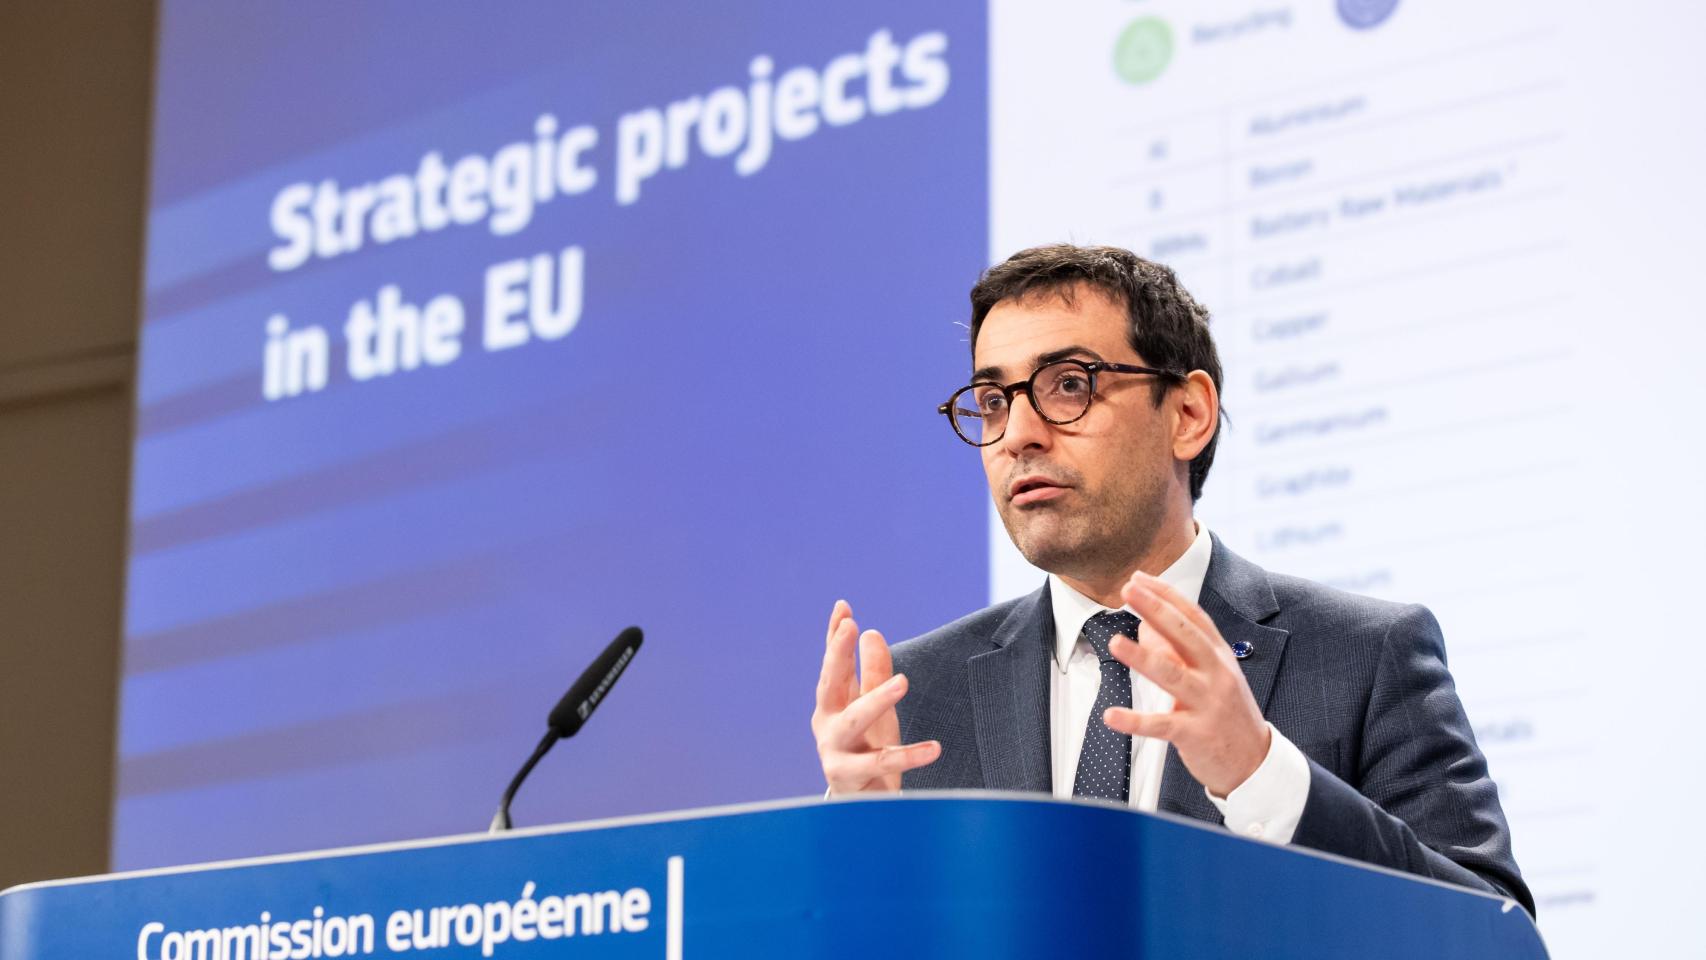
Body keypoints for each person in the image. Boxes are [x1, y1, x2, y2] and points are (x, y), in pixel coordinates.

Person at [810, 243, 1532, 915]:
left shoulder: (1367, 655)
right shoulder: (918, 699)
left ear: (1188, 414)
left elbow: (1494, 939)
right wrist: (858, 855)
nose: (1019, 435)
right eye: (994, 402)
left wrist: (1260, 776)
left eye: (1069, 385)